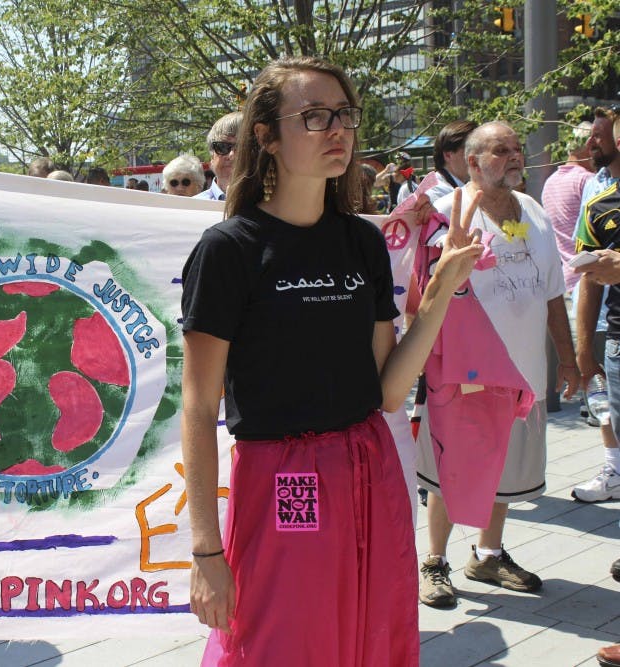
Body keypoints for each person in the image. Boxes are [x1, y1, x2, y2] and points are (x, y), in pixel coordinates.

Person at [180, 55, 483, 666]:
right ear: (265, 136)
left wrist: (443, 289)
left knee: (369, 636)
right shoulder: (229, 249)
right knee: (284, 639)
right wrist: (207, 553)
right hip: (287, 476)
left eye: (344, 114)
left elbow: (388, 391)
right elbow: (198, 404)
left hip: (369, 466)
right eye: (314, 116)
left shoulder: (360, 241)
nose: (338, 130)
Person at [416, 121, 579, 609]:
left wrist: (568, 362)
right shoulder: (445, 213)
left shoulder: (532, 211)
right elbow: (420, 299)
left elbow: (553, 294)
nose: (513, 156)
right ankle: (435, 562)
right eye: (499, 150)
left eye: (516, 148)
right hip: (463, 374)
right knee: (449, 469)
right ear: (471, 162)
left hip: (524, 375)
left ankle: (488, 554)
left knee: (509, 469)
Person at [574, 106, 620, 503]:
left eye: (599, 136)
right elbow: (588, 275)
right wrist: (583, 349)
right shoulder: (597, 201)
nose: (590, 143)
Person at [543, 121, 593, 293]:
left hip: (565, 279)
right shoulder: (588, 181)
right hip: (590, 280)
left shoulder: (549, 182)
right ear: (589, 146)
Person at [423, 120, 477, 203]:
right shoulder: (436, 194)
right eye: (470, 148)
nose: (477, 155)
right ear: (448, 155)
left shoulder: (462, 186)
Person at [195, 112, 242, 201]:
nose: (231, 155)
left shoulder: (272, 207)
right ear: (212, 156)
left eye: (241, 147)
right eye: (222, 147)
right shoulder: (191, 208)